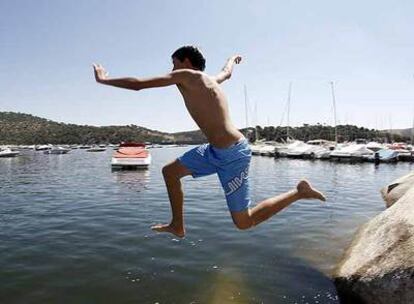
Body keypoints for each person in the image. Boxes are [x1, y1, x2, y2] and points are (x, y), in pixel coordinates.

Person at [93, 45, 326, 238]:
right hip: (214, 150)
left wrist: (104, 80)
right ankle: (177, 225)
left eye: (173, 63)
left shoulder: (187, 76)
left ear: (185, 62)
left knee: (244, 222)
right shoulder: (209, 80)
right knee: (170, 172)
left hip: (234, 154)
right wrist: (232, 59)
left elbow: (138, 84)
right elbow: (227, 72)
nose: (171, 70)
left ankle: (298, 192)